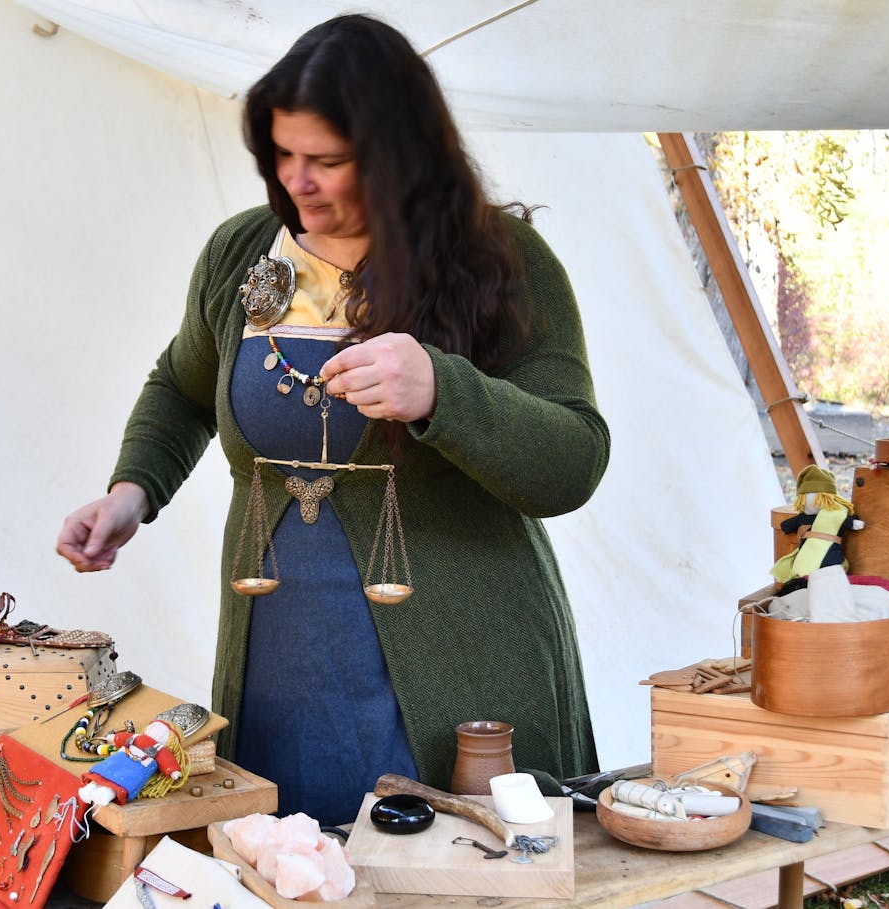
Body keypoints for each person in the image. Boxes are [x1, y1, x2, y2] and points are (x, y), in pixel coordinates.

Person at [56, 13, 609, 825]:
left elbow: (575, 457)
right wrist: (131, 492)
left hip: (465, 664)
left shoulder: (504, 261)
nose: (296, 182)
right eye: (282, 155)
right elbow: (180, 385)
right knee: (290, 865)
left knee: (454, 870)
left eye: (327, 161)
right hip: (281, 661)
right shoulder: (242, 255)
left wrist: (443, 391)